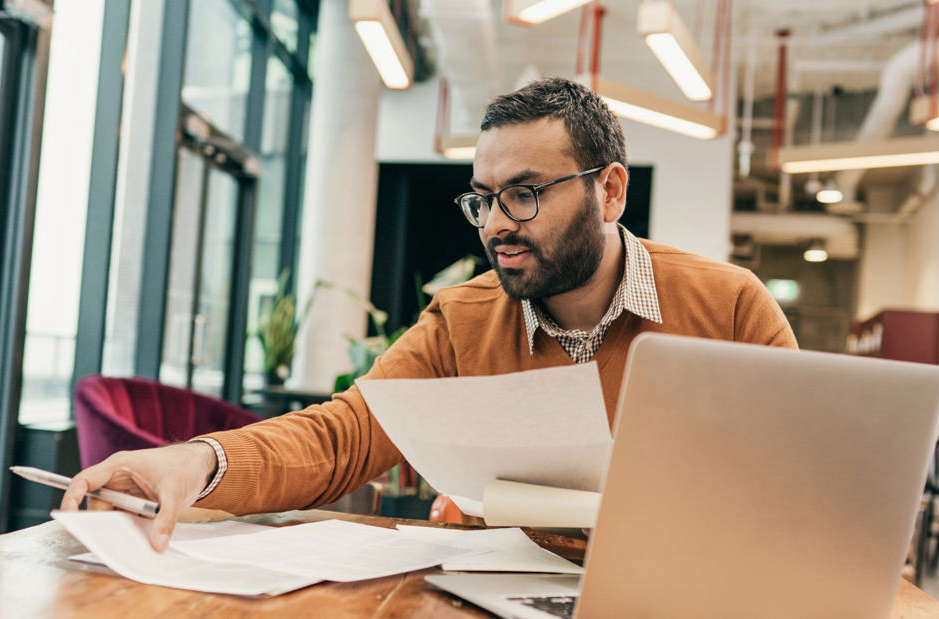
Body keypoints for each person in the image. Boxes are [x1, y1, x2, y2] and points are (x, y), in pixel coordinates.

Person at [61, 77, 797, 551]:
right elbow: (344, 435)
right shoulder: (462, 319)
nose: (496, 225)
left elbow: (795, 491)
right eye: (483, 198)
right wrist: (196, 460)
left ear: (609, 191)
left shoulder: (729, 307)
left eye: (524, 194)